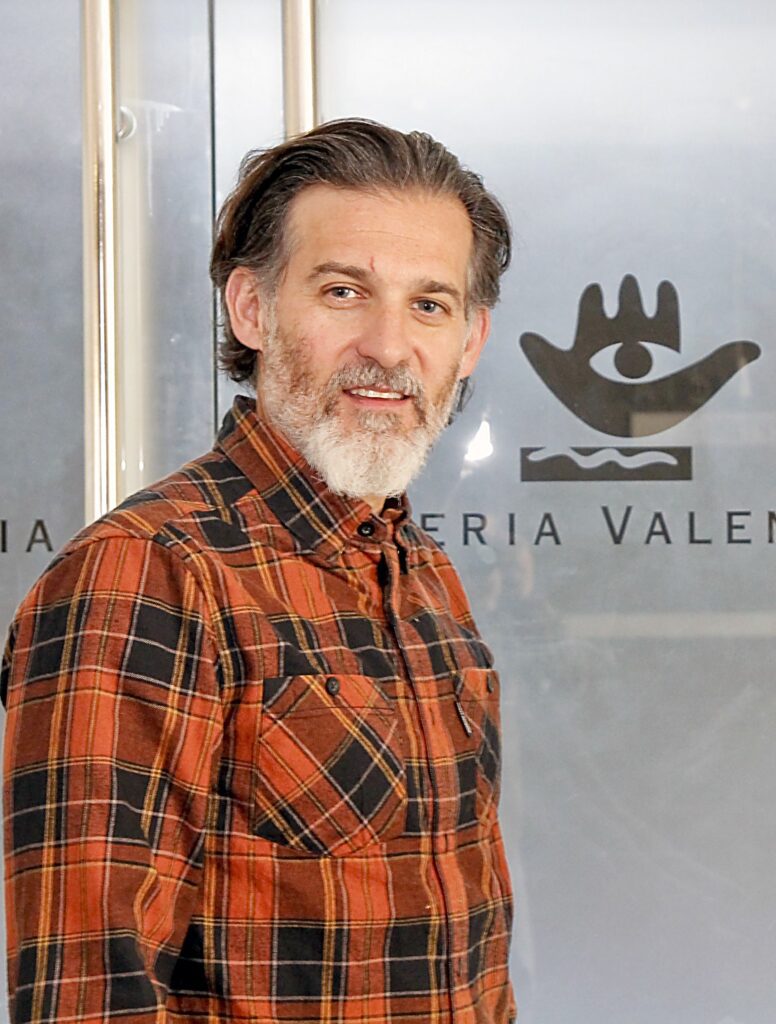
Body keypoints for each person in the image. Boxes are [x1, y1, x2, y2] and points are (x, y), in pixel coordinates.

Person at [2, 119, 515, 1024]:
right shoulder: (145, 573)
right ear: (251, 308)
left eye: (429, 305)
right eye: (344, 291)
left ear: (470, 340)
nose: (389, 346)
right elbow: (90, 995)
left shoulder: (424, 575)